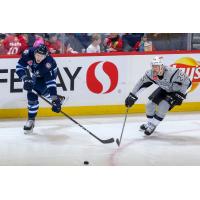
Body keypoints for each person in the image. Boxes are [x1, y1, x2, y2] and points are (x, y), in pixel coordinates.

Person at [125, 56, 191, 135]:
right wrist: (132, 95)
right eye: (153, 66)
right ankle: (149, 123)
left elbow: (188, 83)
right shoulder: (150, 74)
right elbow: (140, 83)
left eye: (156, 66)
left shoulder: (174, 73)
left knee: (163, 106)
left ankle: (153, 125)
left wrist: (181, 94)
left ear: (162, 66)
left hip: (176, 92)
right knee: (149, 105)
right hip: (164, 89)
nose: (154, 69)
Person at [15, 44, 64, 134]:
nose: (39, 58)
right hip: (36, 74)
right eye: (37, 55)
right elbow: (19, 67)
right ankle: (31, 120)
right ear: (34, 52)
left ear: (46, 56)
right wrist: (25, 78)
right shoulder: (28, 53)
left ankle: (31, 120)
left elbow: (51, 83)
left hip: (48, 73)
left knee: (35, 92)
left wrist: (54, 98)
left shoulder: (48, 64)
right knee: (33, 93)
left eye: (41, 56)